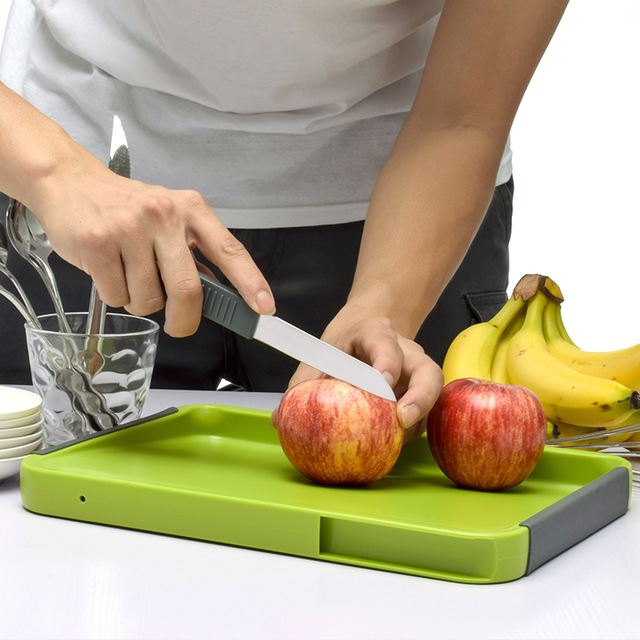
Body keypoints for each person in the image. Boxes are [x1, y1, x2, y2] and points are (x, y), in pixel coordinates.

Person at [0, 0, 568, 442]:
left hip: (407, 219)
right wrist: (56, 175)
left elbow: (463, 118)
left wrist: (386, 304)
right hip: (74, 199)